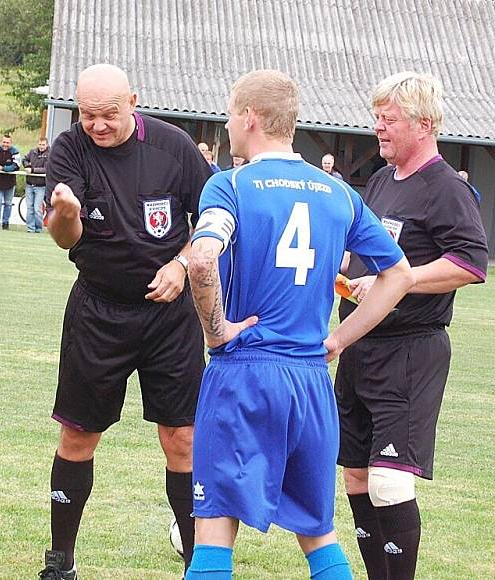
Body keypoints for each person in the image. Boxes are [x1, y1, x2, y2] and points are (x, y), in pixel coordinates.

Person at [183, 69, 413, 580]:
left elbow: (201, 261)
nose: (226, 124)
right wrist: (338, 340)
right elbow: (398, 274)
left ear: (249, 118)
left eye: (228, 114)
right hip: (310, 381)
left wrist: (217, 331)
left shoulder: (231, 184)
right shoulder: (339, 194)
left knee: (215, 527)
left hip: (245, 374)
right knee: (318, 533)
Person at [38, 63, 213, 580]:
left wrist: (182, 264)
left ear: (132, 102)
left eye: (108, 114)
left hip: (169, 316)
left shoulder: (174, 147)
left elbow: (213, 220)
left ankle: (195, 562)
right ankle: (60, 563)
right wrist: (65, 212)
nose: (97, 125)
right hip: (98, 310)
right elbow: (66, 239)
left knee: (181, 437)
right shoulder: (70, 149)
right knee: (78, 435)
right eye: (87, 115)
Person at [335, 72, 488, 580]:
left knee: (389, 483)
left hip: (409, 353)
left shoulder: (446, 188)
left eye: (389, 120)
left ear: (423, 125)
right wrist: (346, 274)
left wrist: (399, 281)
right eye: (377, 117)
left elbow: (470, 264)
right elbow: (366, 254)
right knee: (356, 477)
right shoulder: (380, 180)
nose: (378, 128)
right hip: (360, 348)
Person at [0, 133, 20, 229]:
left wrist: (2, 168)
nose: (5, 144)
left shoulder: (15, 152)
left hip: (10, 183)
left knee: (8, 204)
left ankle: (5, 223)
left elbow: (16, 166)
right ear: (1, 142)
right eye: (4, 142)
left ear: (11, 143)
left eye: (8, 143)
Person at [22, 136, 50, 232]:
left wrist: (32, 170)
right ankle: (30, 228)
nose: (41, 146)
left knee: (37, 208)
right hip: (29, 184)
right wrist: (27, 166)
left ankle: (39, 228)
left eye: (43, 145)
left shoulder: (49, 154)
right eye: (40, 144)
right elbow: (24, 159)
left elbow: (46, 169)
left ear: (46, 145)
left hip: (41, 186)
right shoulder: (32, 152)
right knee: (29, 207)